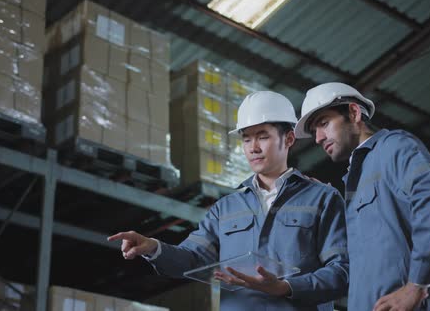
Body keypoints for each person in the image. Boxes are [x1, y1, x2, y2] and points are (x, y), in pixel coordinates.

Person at [108, 91, 349, 311]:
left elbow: (341, 271)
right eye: (246, 139)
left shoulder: (322, 198)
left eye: (262, 137)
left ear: (288, 139)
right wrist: (153, 247)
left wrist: (286, 287)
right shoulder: (225, 209)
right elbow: (191, 258)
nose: (253, 148)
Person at [295, 82, 430, 311]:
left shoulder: (393, 148)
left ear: (354, 112)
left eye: (324, 123)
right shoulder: (356, 180)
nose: (318, 138)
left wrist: (417, 284)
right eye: (314, 132)